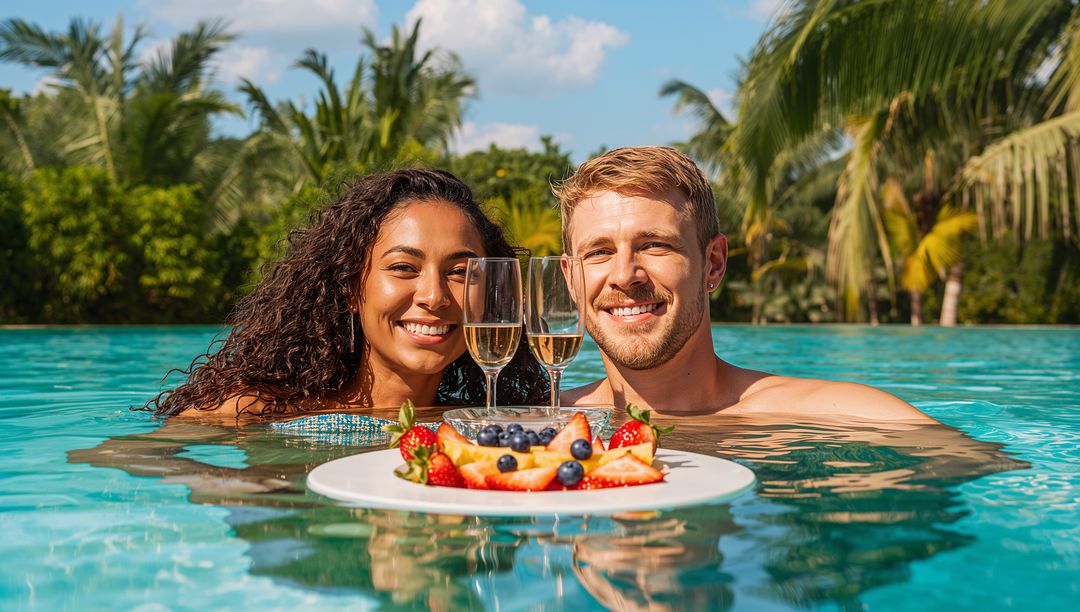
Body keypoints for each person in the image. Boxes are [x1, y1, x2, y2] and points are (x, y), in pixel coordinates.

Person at [555, 146, 933, 421]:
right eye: (599, 252)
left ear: (714, 265)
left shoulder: (850, 418)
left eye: (655, 245)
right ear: (572, 280)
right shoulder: (537, 423)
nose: (625, 275)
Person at [145, 168, 547, 420]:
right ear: (351, 288)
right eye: (404, 267)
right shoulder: (257, 412)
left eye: (460, 272)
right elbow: (120, 460)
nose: (434, 295)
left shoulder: (488, 425)